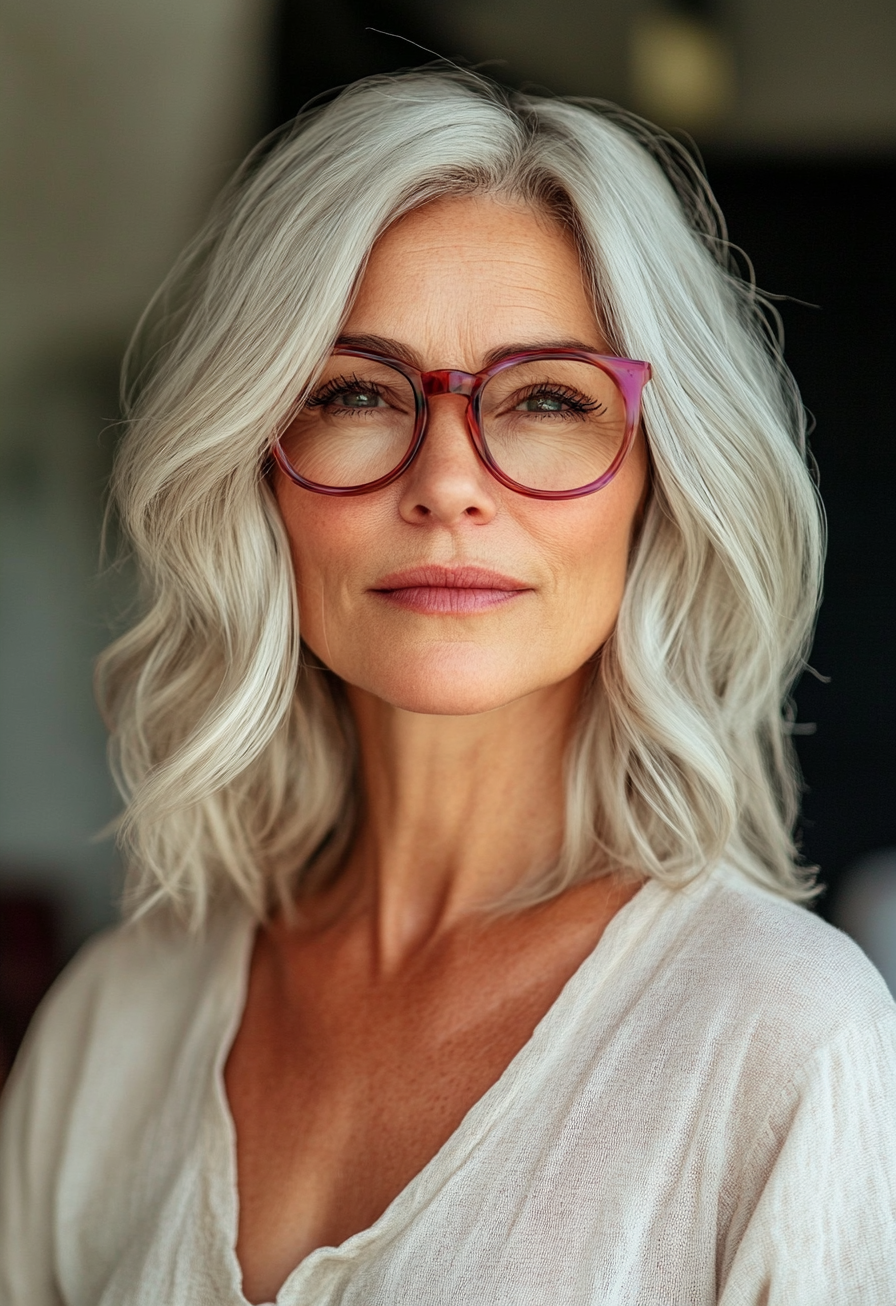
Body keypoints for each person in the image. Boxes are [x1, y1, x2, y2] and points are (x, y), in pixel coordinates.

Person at [0, 68, 893, 1306]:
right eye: (357, 392)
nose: (448, 482)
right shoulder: (111, 1027)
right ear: (256, 469)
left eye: (545, 400)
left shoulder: (783, 1039)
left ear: (660, 489)